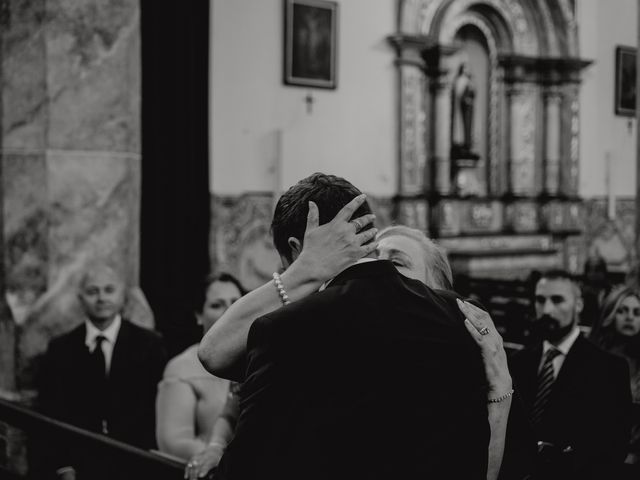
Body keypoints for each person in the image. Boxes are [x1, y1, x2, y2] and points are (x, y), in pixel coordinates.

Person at [200, 173, 494, 479]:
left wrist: (301, 272)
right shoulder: (458, 313)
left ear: (297, 249)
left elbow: (245, 466)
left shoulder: (287, 330)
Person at [38, 262, 167, 480]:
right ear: (80, 298)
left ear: (122, 295)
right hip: (81, 464)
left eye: (109, 290)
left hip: (136, 461)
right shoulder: (61, 349)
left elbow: (155, 409)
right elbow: (53, 410)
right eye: (92, 291)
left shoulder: (149, 344)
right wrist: (64, 466)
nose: (101, 298)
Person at [509, 269, 632, 479]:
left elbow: (613, 447)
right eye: (540, 300)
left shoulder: (608, 369)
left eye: (557, 300)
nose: (547, 309)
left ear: (578, 305)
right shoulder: (518, 362)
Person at [156, 273, 245, 479]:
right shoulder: (182, 367)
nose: (229, 311)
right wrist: (221, 458)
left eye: (235, 302)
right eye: (217, 305)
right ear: (198, 315)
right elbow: (172, 442)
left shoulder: (258, 355)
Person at [590, 286, 640, 465]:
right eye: (622, 311)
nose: (630, 317)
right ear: (609, 314)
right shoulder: (592, 356)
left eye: (636, 312)